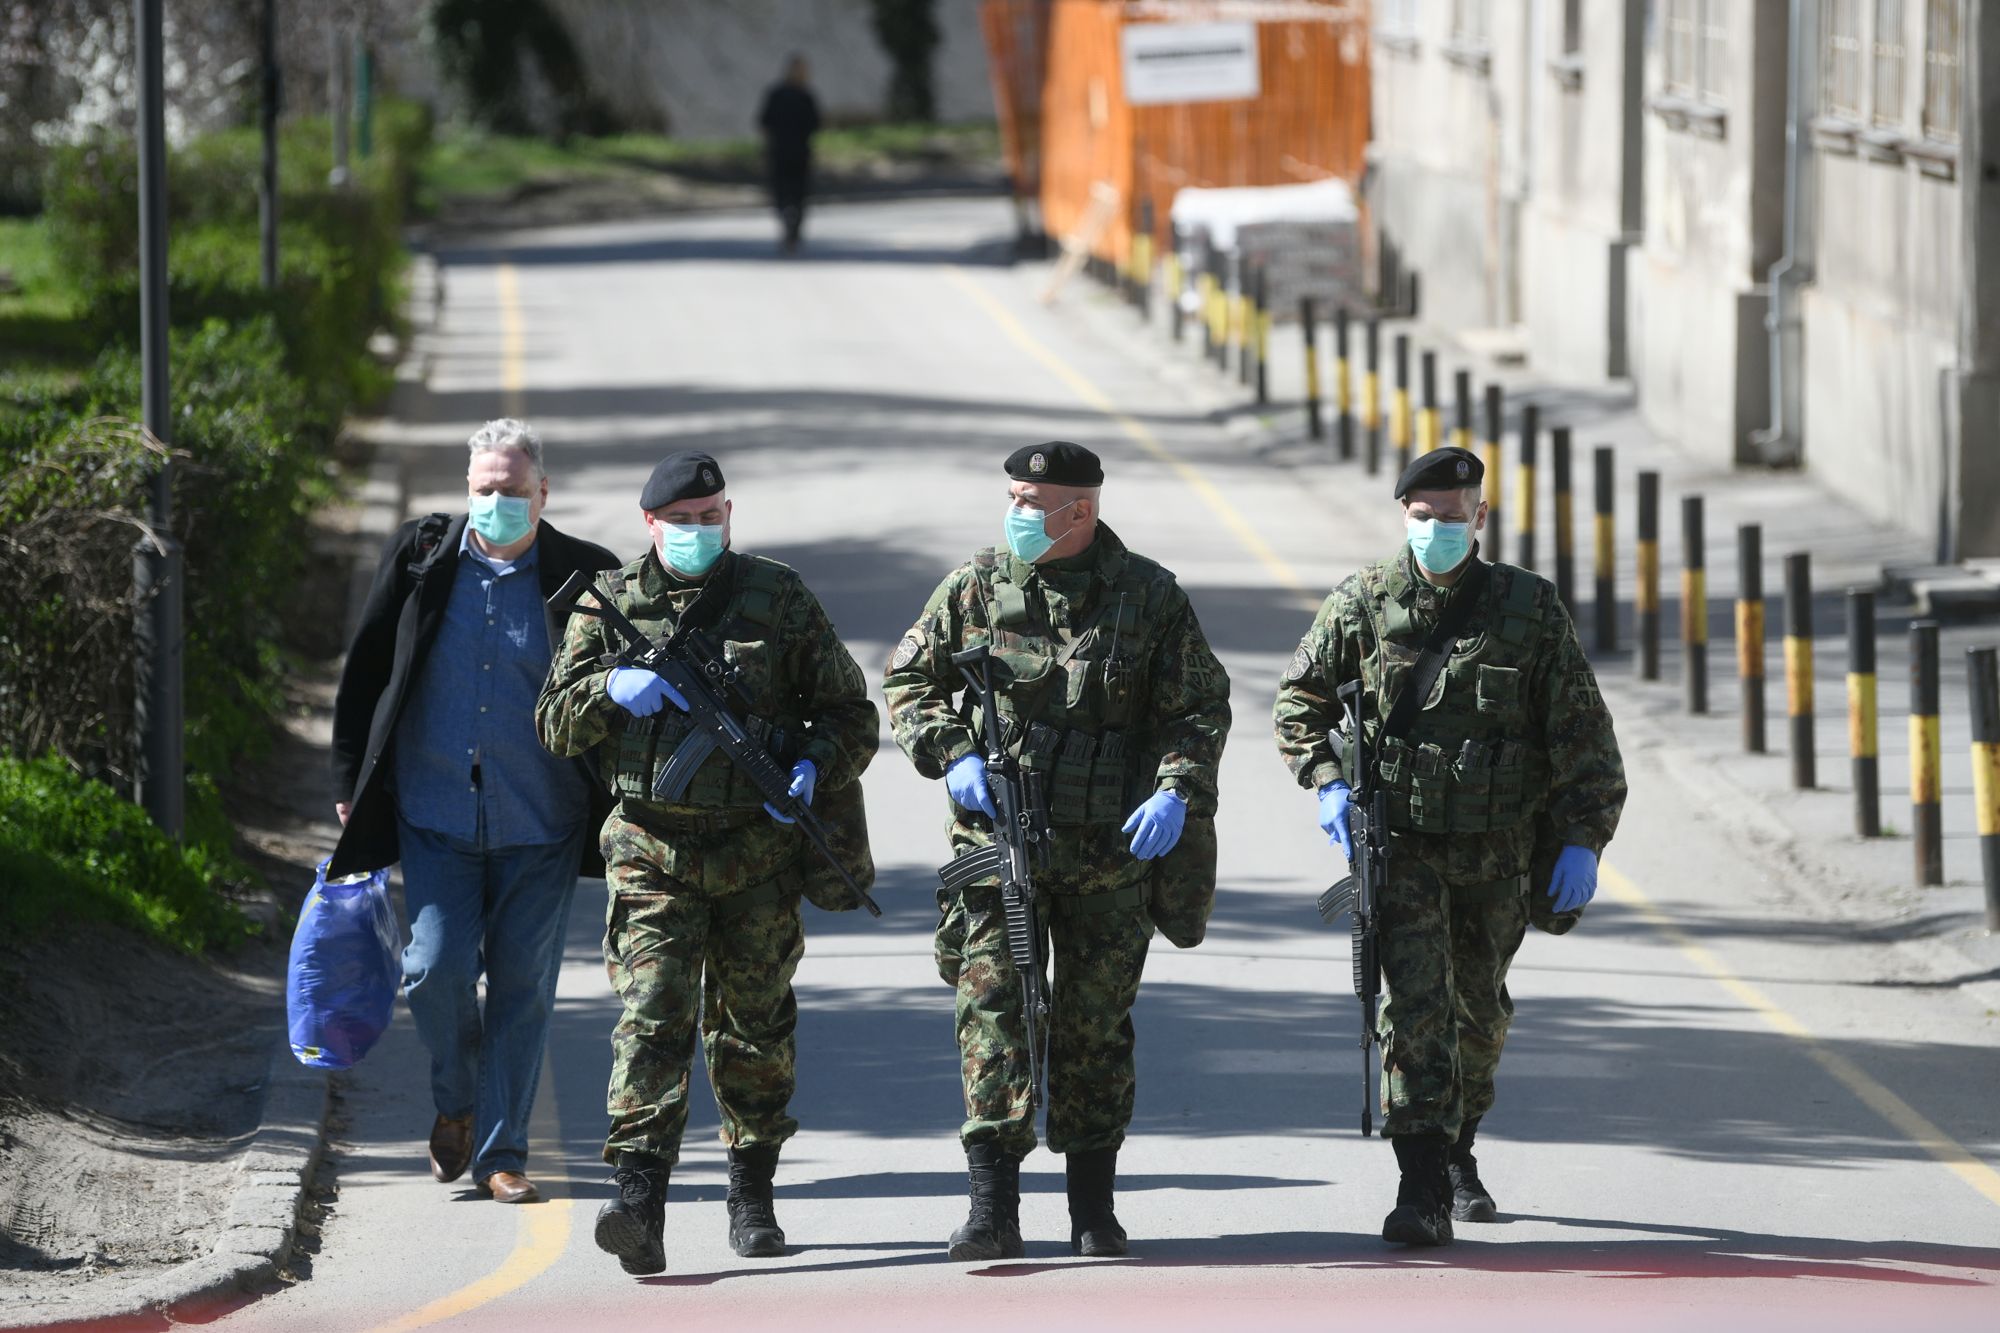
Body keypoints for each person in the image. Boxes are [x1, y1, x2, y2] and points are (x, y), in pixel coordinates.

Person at [883, 441, 1231, 1261]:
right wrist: (951, 752)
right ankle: (990, 1207)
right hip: (998, 845)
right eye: (1011, 496)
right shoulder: (973, 587)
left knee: (1094, 1026)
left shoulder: (1148, 597)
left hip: (1107, 853)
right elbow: (907, 680)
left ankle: (1093, 1208)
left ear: (1083, 510)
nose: (1017, 514)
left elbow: (1200, 710)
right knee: (992, 1012)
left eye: (1033, 501)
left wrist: (1176, 788)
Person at [1271, 445, 1626, 1247]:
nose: (1435, 530)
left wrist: (1582, 841)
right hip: (1403, 851)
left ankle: (1460, 1147)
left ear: (1481, 518)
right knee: (1416, 1010)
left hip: (1501, 854)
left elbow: (1583, 735)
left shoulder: (1528, 609)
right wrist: (1326, 779)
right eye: (1422, 517)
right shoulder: (1364, 601)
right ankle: (1421, 1183)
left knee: (1479, 1013)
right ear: (1404, 516)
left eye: (1451, 517)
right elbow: (1298, 702)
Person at [535, 450, 878, 1277]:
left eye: (712, 516)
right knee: (652, 1015)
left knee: (754, 1025)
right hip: (652, 847)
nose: (698, 531)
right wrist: (610, 687)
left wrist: (810, 765)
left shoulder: (776, 596)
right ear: (649, 523)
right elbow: (552, 721)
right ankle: (639, 1200)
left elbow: (852, 711)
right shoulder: (611, 602)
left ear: (731, 515)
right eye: (682, 521)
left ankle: (751, 1191)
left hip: (757, 854)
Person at [330, 418, 619, 1205]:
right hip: (434, 812)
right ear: (468, 489)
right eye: (485, 490)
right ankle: (456, 1097)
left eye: (513, 491)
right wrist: (350, 773)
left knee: (524, 987)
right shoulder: (423, 557)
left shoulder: (586, 575)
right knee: (433, 969)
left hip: (544, 821)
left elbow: (615, 705)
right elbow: (366, 668)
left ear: (543, 492)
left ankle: (502, 1151)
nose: (498, 503)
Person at [757, 55, 822, 253]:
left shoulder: (802, 95)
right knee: (788, 192)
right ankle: (790, 226)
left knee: (795, 193)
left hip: (790, 151)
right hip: (787, 151)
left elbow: (764, 122)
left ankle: (792, 227)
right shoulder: (790, 95)